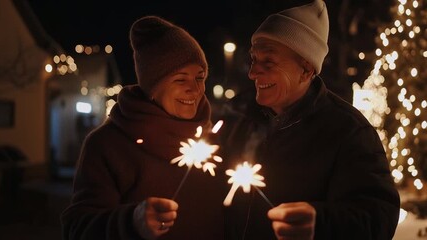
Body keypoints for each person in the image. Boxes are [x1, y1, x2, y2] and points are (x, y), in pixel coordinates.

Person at [220, 0, 400, 239]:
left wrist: (320, 223)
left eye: (269, 62)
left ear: (306, 70)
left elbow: (379, 218)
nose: (253, 72)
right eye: (253, 59)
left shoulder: (349, 132)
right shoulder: (240, 122)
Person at [61, 16, 225, 239]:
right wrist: (131, 221)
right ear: (152, 86)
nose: (195, 90)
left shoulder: (213, 140)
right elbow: (76, 230)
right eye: (180, 79)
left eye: (200, 77)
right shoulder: (107, 145)